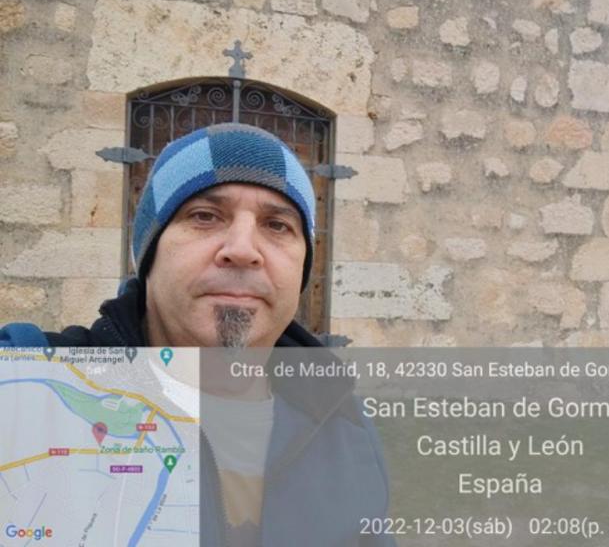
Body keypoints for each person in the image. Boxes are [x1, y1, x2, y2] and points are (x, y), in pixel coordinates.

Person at [0, 123, 394, 546]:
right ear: (148, 256)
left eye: (278, 225)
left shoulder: (342, 424)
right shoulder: (25, 393)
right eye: (205, 216)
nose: (242, 249)